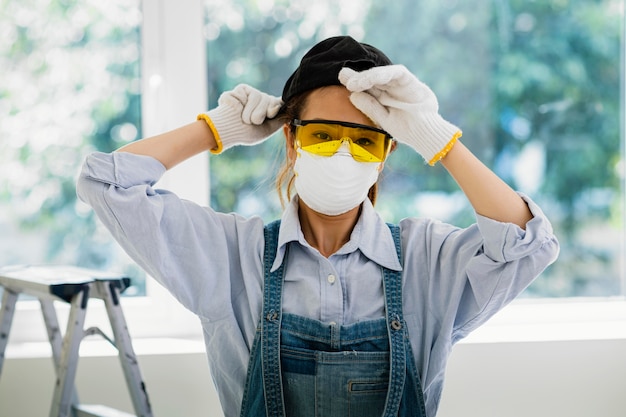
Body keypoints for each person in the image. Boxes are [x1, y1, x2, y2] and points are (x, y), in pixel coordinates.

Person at [77, 36, 559, 417]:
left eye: (365, 141)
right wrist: (215, 129)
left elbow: (528, 243)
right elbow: (104, 181)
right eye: (323, 135)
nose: (343, 154)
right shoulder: (230, 255)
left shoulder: (426, 260)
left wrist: (438, 139)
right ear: (291, 139)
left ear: (387, 152)